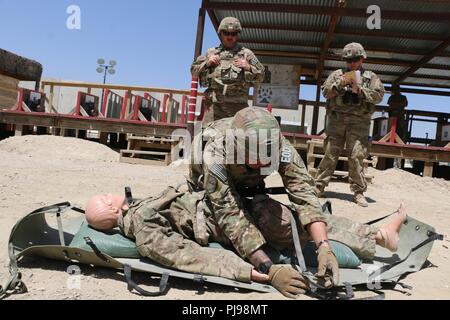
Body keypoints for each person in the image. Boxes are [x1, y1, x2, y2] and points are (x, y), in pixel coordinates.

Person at [84, 188, 408, 299]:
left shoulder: (139, 210)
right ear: (111, 209)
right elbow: (195, 258)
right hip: (234, 224)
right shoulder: (144, 230)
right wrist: (266, 274)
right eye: (102, 197)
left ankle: (375, 235)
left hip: (225, 207)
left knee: (293, 215)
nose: (108, 193)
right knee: (288, 220)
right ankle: (378, 237)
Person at [314, 42, 385, 207]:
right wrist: (340, 84)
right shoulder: (337, 74)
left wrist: (360, 90)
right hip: (337, 120)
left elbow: (379, 96)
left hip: (359, 122)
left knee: (356, 156)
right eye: (348, 60)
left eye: (355, 59)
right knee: (330, 154)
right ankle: (318, 186)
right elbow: (325, 92)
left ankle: (358, 192)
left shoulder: (371, 77)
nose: (351, 63)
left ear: (362, 59)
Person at [191, 17, 265, 121]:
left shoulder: (246, 54)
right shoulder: (211, 53)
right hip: (213, 107)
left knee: (237, 137)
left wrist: (249, 67)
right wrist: (207, 63)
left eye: (233, 33)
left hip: (238, 108)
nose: (230, 36)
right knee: (208, 136)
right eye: (226, 33)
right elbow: (193, 71)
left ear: (237, 34)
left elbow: (262, 75)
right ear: (220, 33)